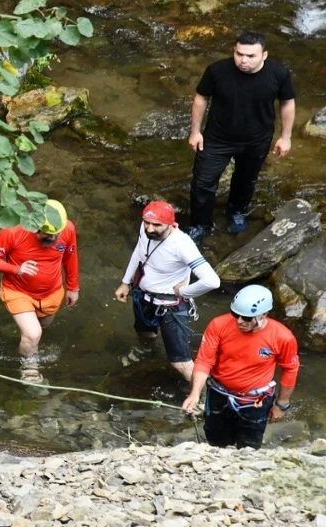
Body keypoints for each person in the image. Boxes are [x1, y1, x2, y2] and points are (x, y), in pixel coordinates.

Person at [187, 31, 296, 242]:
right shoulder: (217, 71)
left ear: (264, 55)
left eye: (250, 56)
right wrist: (195, 131)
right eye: (239, 54)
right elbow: (201, 98)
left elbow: (287, 103)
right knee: (202, 183)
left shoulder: (279, 74)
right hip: (218, 138)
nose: (243, 60)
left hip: (257, 139)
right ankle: (200, 225)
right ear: (234, 51)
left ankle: (236, 212)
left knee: (246, 180)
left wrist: (286, 137)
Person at [182, 285, 299, 449]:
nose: (239, 321)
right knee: (215, 439)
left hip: (255, 400)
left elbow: (290, 369)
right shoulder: (219, 325)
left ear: (263, 315)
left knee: (249, 445)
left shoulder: (282, 337)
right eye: (236, 315)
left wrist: (281, 404)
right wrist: (195, 394)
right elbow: (204, 360)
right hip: (219, 392)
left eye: (246, 318)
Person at [114, 201, 220, 381]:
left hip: (171, 306)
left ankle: (201, 397)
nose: (149, 229)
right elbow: (139, 252)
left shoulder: (182, 245)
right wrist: (125, 282)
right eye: (147, 223)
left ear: (171, 224)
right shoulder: (145, 228)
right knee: (145, 332)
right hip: (143, 296)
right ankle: (147, 351)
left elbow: (212, 281)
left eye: (156, 225)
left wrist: (184, 292)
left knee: (180, 362)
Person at [0, 199, 79, 385]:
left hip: (51, 292)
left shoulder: (68, 229)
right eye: (47, 234)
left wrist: (73, 287)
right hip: (17, 290)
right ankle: (29, 370)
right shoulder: (12, 232)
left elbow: (70, 256)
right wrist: (16, 269)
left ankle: (27, 340)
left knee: (42, 328)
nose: (52, 239)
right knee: (33, 334)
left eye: (55, 234)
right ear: (35, 227)